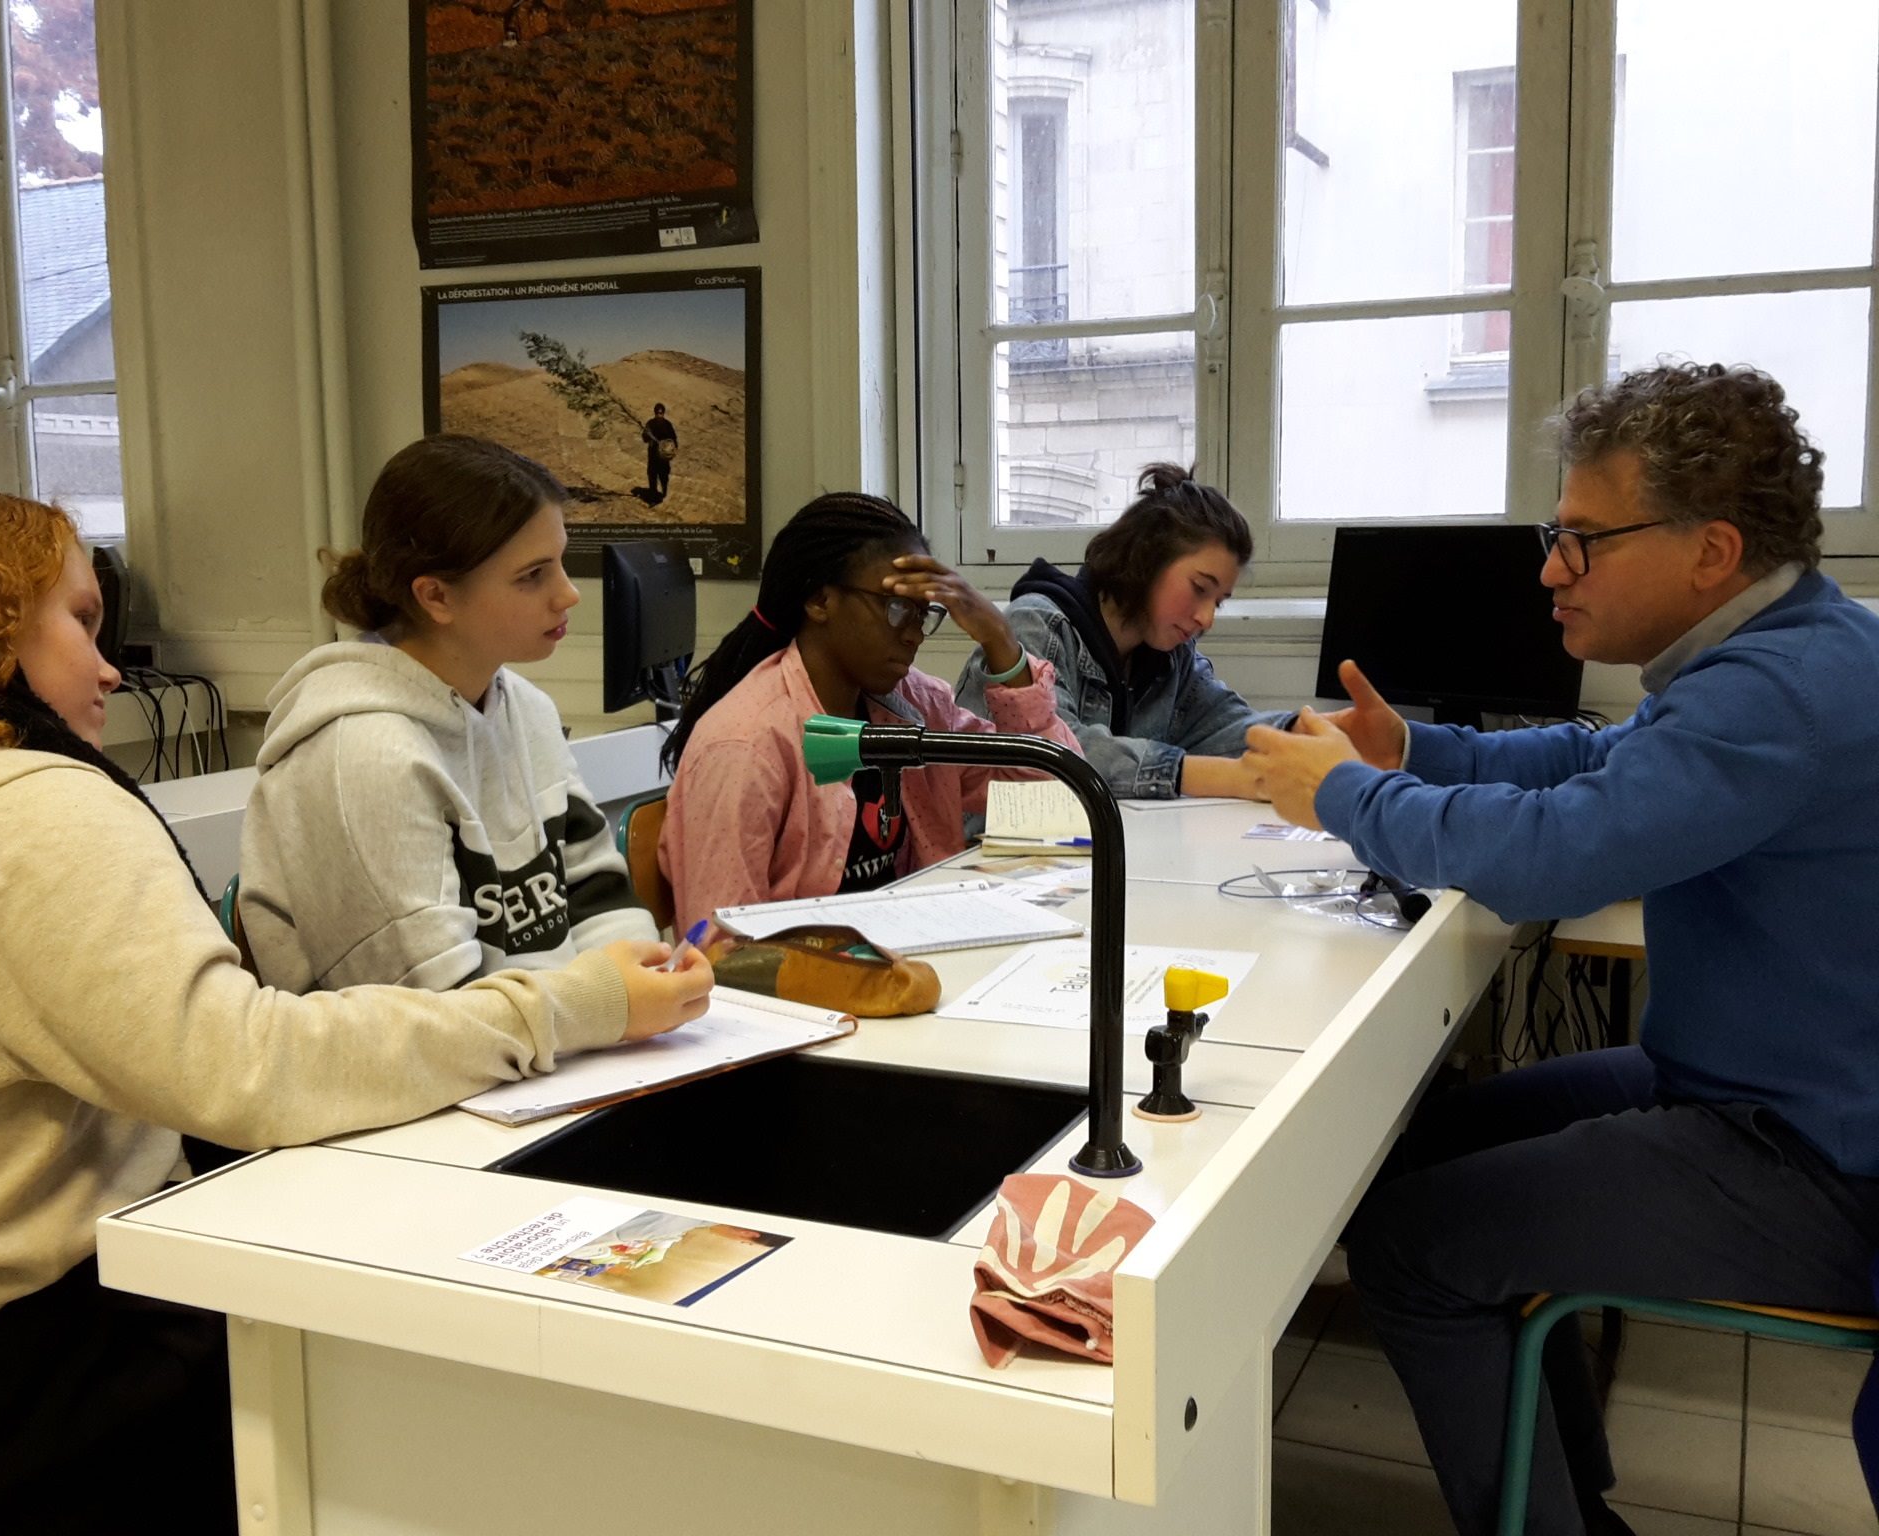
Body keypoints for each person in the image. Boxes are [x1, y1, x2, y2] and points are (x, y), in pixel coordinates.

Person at [0, 482, 712, 1533]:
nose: (110, 667)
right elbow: (251, 1069)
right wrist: (560, 1009)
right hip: (19, 1372)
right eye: (79, 621)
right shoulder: (23, 807)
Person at [1239, 363, 1879, 1536]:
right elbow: (1588, 768)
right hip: (1754, 1089)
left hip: (1816, 1162)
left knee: (1408, 1244)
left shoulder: (1779, 692)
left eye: (1581, 539)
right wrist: (1409, 752)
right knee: (1408, 1139)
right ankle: (1566, 1487)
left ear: (1709, 550)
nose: (1548, 570)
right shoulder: (1778, 650)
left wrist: (1341, 795)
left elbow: (1550, 857)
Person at [240, 434, 660, 994]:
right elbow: (430, 1014)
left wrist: (647, 974)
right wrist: (610, 1004)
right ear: (436, 597)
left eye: (561, 562)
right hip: (444, 1066)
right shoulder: (362, 753)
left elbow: (592, 888)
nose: (567, 594)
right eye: (532, 575)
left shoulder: (525, 709)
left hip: (560, 1046)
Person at [656, 491, 1082, 932]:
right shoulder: (744, 746)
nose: (914, 635)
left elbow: (1056, 794)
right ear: (820, 600)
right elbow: (717, 947)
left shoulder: (916, 706)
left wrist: (999, 640)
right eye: (897, 608)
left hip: (909, 949)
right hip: (810, 990)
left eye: (924, 615)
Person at [956, 463, 1290, 800]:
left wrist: (1301, 731)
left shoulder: (1172, 658)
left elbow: (1224, 725)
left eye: (1218, 602)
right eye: (1200, 588)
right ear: (1148, 559)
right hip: (986, 848)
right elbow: (1059, 753)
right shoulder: (1037, 625)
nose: (1206, 619)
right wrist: (1203, 775)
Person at [642, 403, 678, 504]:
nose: (659, 415)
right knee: (652, 475)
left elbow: (674, 439)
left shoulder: (668, 424)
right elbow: (645, 439)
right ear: (655, 413)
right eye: (658, 413)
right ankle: (653, 498)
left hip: (663, 457)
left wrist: (673, 450)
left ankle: (664, 492)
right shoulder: (650, 424)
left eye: (661, 413)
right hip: (653, 454)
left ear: (663, 413)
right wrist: (647, 435)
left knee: (664, 476)